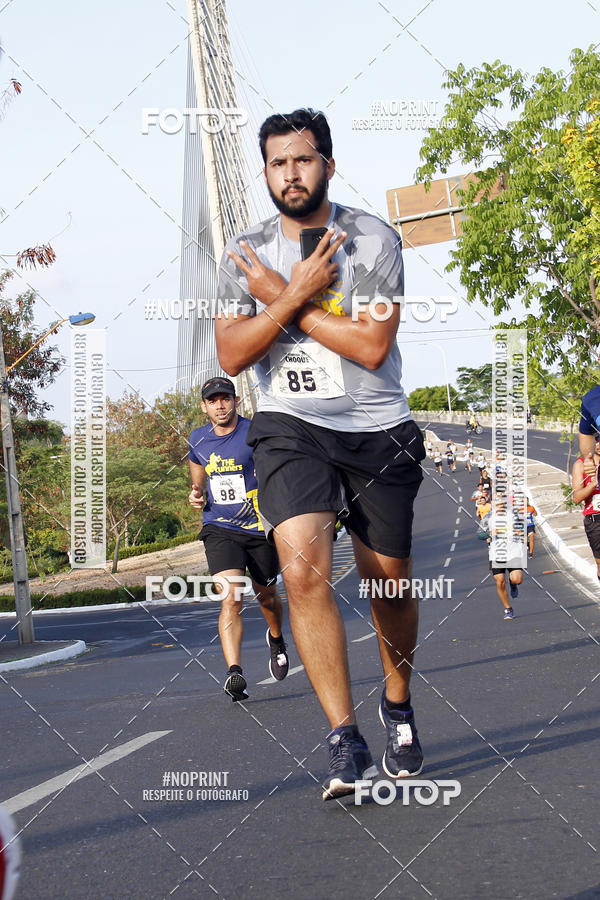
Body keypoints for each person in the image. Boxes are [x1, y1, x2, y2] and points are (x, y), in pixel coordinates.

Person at [215, 107, 426, 799]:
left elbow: (371, 347)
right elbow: (233, 353)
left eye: (303, 161)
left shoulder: (371, 239)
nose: (290, 174)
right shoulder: (244, 252)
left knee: (386, 582)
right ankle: (345, 737)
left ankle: (396, 703)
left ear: (328, 166)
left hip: (375, 427)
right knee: (303, 566)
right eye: (278, 163)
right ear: (267, 171)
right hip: (289, 423)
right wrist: (292, 295)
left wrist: (285, 298)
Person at [189, 376, 289, 701]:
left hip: (259, 529)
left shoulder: (253, 431)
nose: (220, 405)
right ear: (204, 406)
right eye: (213, 400)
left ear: (236, 401)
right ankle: (235, 672)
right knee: (231, 598)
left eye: (225, 398)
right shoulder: (198, 440)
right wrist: (196, 493)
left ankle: (276, 638)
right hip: (220, 529)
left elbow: (275, 463)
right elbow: (196, 470)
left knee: (267, 597)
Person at [486, 498, 525, 619]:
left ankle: (513, 584)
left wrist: (520, 532)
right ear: (493, 505)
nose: (501, 506)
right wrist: (488, 534)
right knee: (500, 581)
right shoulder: (488, 518)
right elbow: (479, 534)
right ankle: (508, 609)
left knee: (517, 579)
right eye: (498, 504)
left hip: (513, 552)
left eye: (503, 503)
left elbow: (524, 526)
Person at [572, 435, 600, 581]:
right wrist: (594, 483)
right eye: (597, 441)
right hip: (595, 521)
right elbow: (576, 498)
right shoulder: (581, 464)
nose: (598, 445)